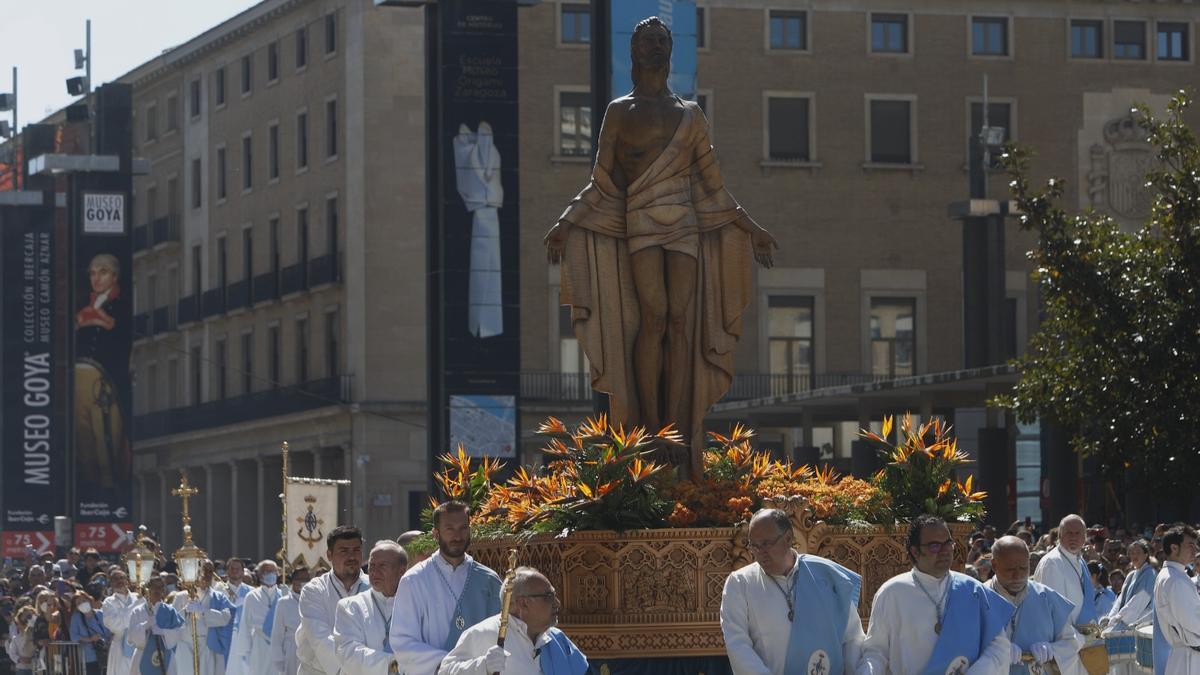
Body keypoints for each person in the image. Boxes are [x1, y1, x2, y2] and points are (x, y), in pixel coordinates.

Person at [543, 16, 778, 473]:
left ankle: (675, 426)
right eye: (647, 41)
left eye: (661, 41)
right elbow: (600, 181)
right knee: (652, 318)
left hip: (684, 225)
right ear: (633, 51)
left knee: (679, 321)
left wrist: (753, 230)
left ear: (670, 51)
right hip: (642, 224)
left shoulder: (690, 115)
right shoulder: (619, 111)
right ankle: (650, 426)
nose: (655, 48)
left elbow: (713, 187)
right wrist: (566, 222)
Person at [858, 514, 1013, 674]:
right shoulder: (892, 593)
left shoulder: (972, 590)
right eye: (934, 546)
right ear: (915, 551)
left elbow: (998, 646)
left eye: (948, 543)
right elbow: (876, 652)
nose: (945, 551)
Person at [720, 508, 865, 674]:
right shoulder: (740, 583)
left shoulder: (826, 575)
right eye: (754, 545)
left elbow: (852, 638)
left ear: (788, 538)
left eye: (766, 544)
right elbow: (737, 645)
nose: (760, 553)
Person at [390, 501, 502, 675]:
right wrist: (452, 666)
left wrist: (479, 666)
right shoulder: (414, 580)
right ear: (436, 533)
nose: (457, 536)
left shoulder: (488, 579)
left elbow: (500, 633)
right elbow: (403, 641)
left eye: (463, 528)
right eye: (450, 529)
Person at [439, 567, 589, 675]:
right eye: (549, 597)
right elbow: (446, 671)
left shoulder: (558, 639)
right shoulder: (484, 634)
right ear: (523, 603)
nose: (557, 603)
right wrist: (483, 666)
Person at [986, 536, 1084, 675]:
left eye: (1023, 568)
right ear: (994, 565)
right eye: (1010, 569)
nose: (1017, 575)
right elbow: (965, 646)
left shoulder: (1047, 597)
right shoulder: (980, 599)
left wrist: (1053, 650)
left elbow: (1072, 641)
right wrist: (994, 650)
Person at [297, 526, 369, 675]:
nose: (351, 557)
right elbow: (320, 639)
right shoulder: (314, 590)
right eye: (344, 551)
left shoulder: (374, 588)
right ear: (329, 555)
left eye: (356, 550)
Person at [334, 541, 409, 675]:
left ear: (401, 571)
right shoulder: (350, 606)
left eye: (382, 566)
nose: (374, 572)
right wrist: (393, 665)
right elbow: (349, 653)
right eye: (372, 566)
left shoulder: (415, 605)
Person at [1031, 515, 1099, 629]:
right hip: (1066, 639)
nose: (1073, 537)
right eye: (1069, 533)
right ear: (1060, 536)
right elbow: (1054, 610)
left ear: (1084, 537)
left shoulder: (1080, 560)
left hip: (1084, 637)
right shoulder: (1052, 563)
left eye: (1077, 533)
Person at [169, 560, 233, 675]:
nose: (206, 574)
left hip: (208, 646)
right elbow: (172, 623)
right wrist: (185, 611)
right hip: (185, 646)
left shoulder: (219, 597)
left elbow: (225, 618)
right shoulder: (181, 596)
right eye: (203, 570)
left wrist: (203, 611)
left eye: (210, 571)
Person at [1153, 524, 1200, 675]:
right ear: (1174, 548)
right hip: (1188, 661)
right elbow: (1194, 623)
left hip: (1185, 656)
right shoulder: (1175, 580)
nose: (1195, 550)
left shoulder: (1170, 575)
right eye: (1190, 545)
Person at [230, 560, 282, 675]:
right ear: (260, 574)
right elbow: (245, 624)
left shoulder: (283, 595)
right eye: (266, 571)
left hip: (278, 644)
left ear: (277, 574)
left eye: (272, 571)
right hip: (259, 644)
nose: (270, 574)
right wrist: (244, 651)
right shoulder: (252, 596)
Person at [127, 577, 185, 675]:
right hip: (142, 655)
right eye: (153, 587)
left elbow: (180, 632)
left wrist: (163, 632)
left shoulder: (170, 611)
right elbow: (131, 637)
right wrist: (145, 626)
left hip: (165, 656)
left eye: (159, 587)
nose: (156, 590)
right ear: (148, 589)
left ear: (163, 591)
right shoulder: (137, 611)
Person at [270, 566, 311, 675]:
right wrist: (279, 659)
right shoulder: (283, 602)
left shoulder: (314, 601)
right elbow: (277, 633)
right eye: (300, 579)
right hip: (292, 649)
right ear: (293, 581)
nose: (303, 583)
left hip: (311, 649)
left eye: (307, 580)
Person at [102, 569, 140, 675]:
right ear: (111, 583)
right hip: (120, 646)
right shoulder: (108, 602)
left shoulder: (138, 597)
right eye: (115, 579)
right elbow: (115, 626)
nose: (119, 581)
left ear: (127, 580)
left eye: (122, 578)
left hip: (140, 644)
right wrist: (134, 608)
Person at [69, 590, 112, 675]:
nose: (82, 604)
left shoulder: (100, 613)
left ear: (89, 600)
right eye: (79, 603)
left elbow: (109, 631)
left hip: (105, 655)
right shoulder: (76, 617)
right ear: (76, 607)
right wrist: (90, 639)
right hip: (88, 658)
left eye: (84, 601)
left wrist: (106, 641)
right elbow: (73, 636)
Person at [7, 606, 37, 675]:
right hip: (21, 669)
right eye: (23, 622)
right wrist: (19, 659)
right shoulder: (16, 639)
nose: (26, 625)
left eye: (29, 619)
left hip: (36, 668)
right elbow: (12, 653)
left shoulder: (37, 636)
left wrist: (32, 659)